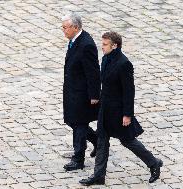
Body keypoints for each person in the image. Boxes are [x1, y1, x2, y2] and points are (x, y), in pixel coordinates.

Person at [79, 31, 163, 185]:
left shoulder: (124, 64)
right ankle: (99, 175)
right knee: (102, 141)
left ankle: (153, 163)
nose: (102, 47)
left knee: (128, 141)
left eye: (105, 44)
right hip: (105, 110)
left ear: (115, 46)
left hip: (118, 112)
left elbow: (129, 91)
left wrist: (127, 114)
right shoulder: (105, 59)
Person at [61, 13, 101, 171]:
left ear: (75, 27)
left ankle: (78, 159)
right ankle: (97, 140)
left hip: (82, 94)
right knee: (73, 121)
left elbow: (93, 72)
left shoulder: (86, 45)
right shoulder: (74, 40)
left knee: (78, 124)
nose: (63, 30)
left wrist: (94, 96)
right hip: (73, 90)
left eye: (65, 27)